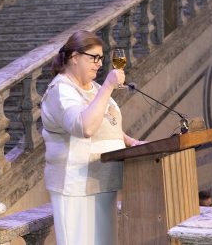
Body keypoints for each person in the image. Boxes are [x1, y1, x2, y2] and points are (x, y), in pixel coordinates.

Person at [40, 30, 145, 245]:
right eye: (94, 57)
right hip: (76, 184)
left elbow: (105, 123)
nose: (99, 64)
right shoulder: (61, 90)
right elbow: (84, 127)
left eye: (101, 58)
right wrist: (108, 86)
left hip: (103, 180)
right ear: (74, 57)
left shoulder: (94, 87)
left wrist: (131, 142)